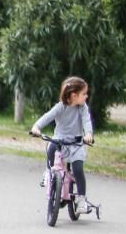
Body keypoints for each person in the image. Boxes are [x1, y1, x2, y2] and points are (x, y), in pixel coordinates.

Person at [30, 76, 98, 213]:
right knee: (51, 148)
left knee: (78, 169)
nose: (86, 96)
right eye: (84, 93)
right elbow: (47, 117)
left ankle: (81, 200)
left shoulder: (82, 108)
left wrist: (88, 134)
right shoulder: (60, 107)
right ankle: (49, 172)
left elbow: (86, 121)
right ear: (74, 95)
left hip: (77, 142)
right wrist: (36, 127)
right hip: (60, 139)